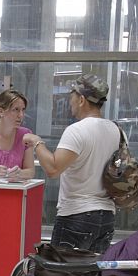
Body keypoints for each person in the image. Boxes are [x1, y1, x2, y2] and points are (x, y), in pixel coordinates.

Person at [23, 73, 120, 253]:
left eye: (72, 97)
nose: (70, 102)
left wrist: (37, 142)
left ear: (82, 99)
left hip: (77, 216)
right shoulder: (117, 130)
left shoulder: (77, 131)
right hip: (106, 216)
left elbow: (53, 169)